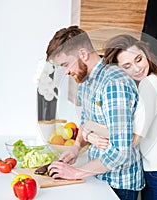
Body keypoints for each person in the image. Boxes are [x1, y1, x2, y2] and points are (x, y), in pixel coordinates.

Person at [45, 26, 144, 200]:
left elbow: (121, 152)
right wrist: (76, 148)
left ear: (83, 54)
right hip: (99, 178)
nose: (66, 72)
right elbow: (86, 124)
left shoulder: (114, 83)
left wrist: (76, 173)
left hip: (119, 185)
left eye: (66, 64)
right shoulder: (84, 82)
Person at [85, 34, 157, 200]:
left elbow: (130, 140)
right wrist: (90, 134)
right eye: (127, 66)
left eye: (138, 59)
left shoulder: (151, 84)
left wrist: (89, 129)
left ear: (146, 54)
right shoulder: (152, 83)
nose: (137, 68)